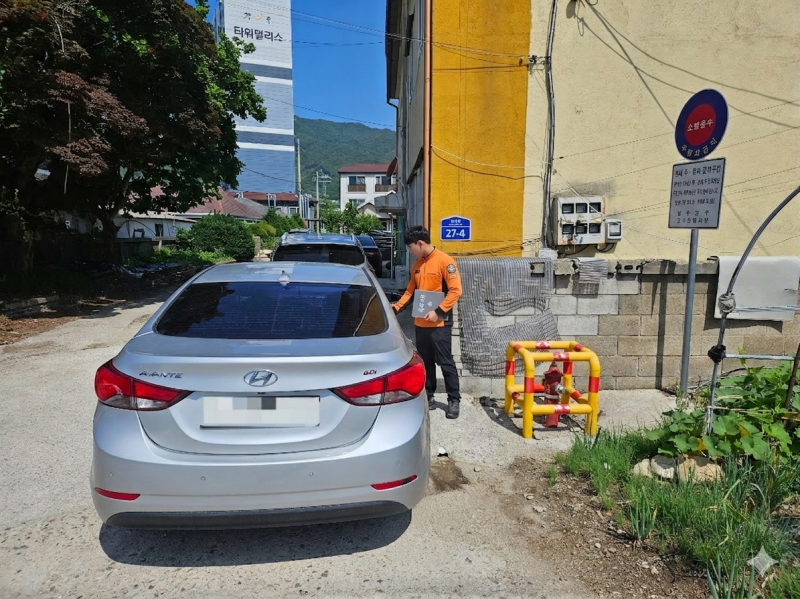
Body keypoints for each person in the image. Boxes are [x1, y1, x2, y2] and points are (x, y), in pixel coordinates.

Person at [391, 226, 462, 419]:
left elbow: (455, 290)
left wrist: (439, 312)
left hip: (439, 325)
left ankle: (454, 399)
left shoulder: (445, 262)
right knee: (426, 362)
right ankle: (429, 396)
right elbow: (409, 292)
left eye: (411, 247)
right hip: (421, 324)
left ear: (420, 243)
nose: (410, 251)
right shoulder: (417, 266)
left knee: (446, 362)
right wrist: (396, 308)